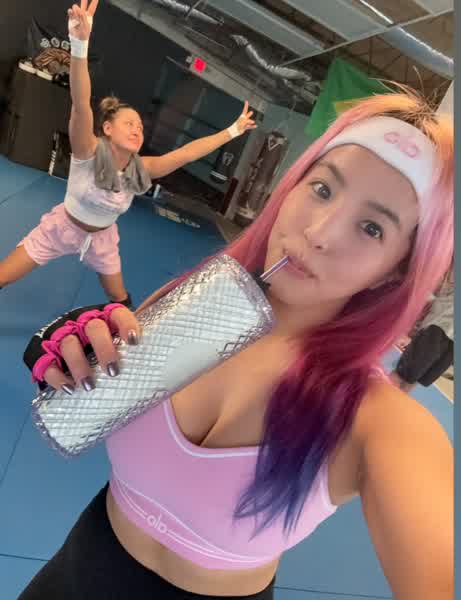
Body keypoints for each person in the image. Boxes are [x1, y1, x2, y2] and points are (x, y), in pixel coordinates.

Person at [19, 88, 453, 599]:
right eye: (322, 189)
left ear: (396, 270)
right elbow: (76, 388)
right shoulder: (188, 303)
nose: (320, 232)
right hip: (71, 573)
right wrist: (70, 354)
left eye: (372, 228)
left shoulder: (379, 422)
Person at [0, 0, 256, 307]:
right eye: (129, 123)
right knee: (3, 276)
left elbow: (188, 153)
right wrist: (79, 46)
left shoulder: (142, 168)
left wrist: (233, 131)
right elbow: (81, 103)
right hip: (61, 229)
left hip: (102, 241)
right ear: (107, 128)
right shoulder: (88, 150)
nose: (137, 129)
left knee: (119, 299)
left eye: (140, 126)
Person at [390, 264, 454, 393]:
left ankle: (390, 403)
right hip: (437, 327)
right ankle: (371, 400)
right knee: (403, 374)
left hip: (453, 340)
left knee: (418, 379)